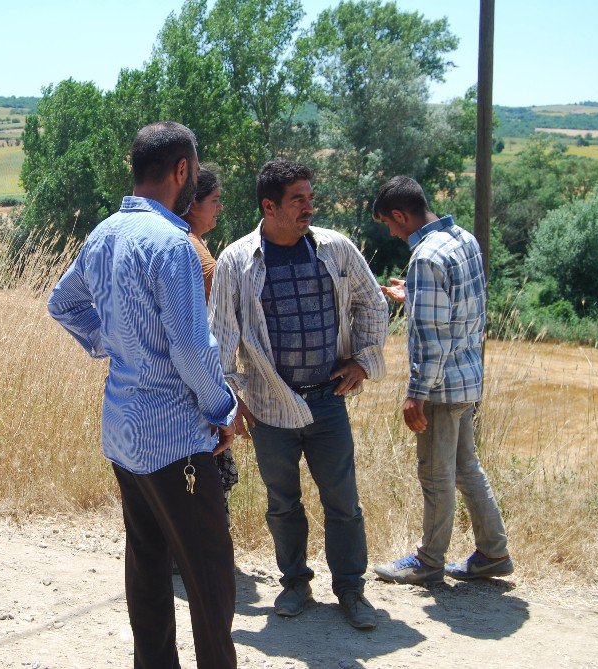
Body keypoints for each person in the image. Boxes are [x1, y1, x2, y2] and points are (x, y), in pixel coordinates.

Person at [48, 121, 239, 669]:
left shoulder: (104, 233)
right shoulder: (173, 244)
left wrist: (113, 341)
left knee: (148, 567)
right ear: (183, 170)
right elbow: (191, 350)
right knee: (209, 577)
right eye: (196, 171)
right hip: (174, 438)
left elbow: (62, 304)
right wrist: (223, 410)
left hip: (123, 432)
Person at [209, 158, 388, 630]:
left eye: (310, 197)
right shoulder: (236, 261)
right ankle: (294, 584)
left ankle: (351, 589)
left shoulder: (336, 249)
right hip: (269, 407)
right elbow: (221, 336)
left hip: (327, 400)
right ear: (269, 206)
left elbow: (372, 302)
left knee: (343, 503)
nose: (310, 207)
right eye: (298, 200)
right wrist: (233, 400)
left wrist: (364, 362)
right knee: (282, 503)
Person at [370, 176, 513, 584]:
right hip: (467, 377)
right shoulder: (462, 238)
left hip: (439, 385)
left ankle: (429, 561)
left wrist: (416, 393)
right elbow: (460, 307)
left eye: (390, 224)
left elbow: (432, 339)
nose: (393, 233)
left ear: (401, 215)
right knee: (466, 467)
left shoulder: (425, 259)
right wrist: (413, 294)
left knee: (435, 474)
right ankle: (493, 552)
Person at [183, 167, 238, 519]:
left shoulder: (191, 242)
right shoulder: (197, 252)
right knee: (204, 474)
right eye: (214, 201)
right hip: (198, 381)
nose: (219, 208)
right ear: (192, 203)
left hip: (193, 379)